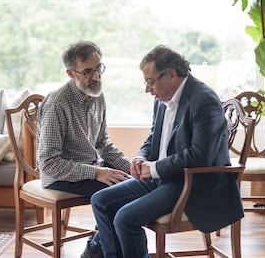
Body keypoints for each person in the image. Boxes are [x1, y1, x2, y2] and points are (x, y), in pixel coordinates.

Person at [90, 45, 244, 257]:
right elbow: (154, 136)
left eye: (150, 82)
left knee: (125, 218)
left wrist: (153, 169)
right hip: (163, 177)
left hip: (191, 183)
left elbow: (200, 156)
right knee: (100, 200)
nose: (147, 89)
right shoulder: (162, 99)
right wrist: (140, 157)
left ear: (171, 74)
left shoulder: (204, 100)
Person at [36, 40, 131, 258]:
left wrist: (131, 166)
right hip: (60, 175)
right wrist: (97, 173)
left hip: (91, 167)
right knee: (115, 199)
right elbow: (49, 164)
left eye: (99, 68)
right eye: (88, 72)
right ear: (71, 73)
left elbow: (103, 144)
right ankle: (104, 252)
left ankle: (95, 249)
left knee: (133, 187)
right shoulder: (57, 104)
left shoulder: (98, 96)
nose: (96, 76)